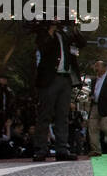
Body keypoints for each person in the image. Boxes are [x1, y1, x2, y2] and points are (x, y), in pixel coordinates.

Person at [33, 21, 85, 161]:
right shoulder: (44, 33)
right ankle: (41, 149)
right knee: (45, 114)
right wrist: (50, 29)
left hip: (66, 78)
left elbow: (82, 43)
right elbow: (42, 47)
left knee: (63, 115)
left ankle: (62, 149)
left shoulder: (66, 35)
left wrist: (74, 30)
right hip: (50, 78)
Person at [87, 60, 107, 157]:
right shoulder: (93, 80)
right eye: (95, 66)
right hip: (94, 106)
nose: (96, 68)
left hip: (106, 107)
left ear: (104, 68)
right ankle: (96, 149)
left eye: (98, 66)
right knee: (92, 128)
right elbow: (93, 92)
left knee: (106, 127)